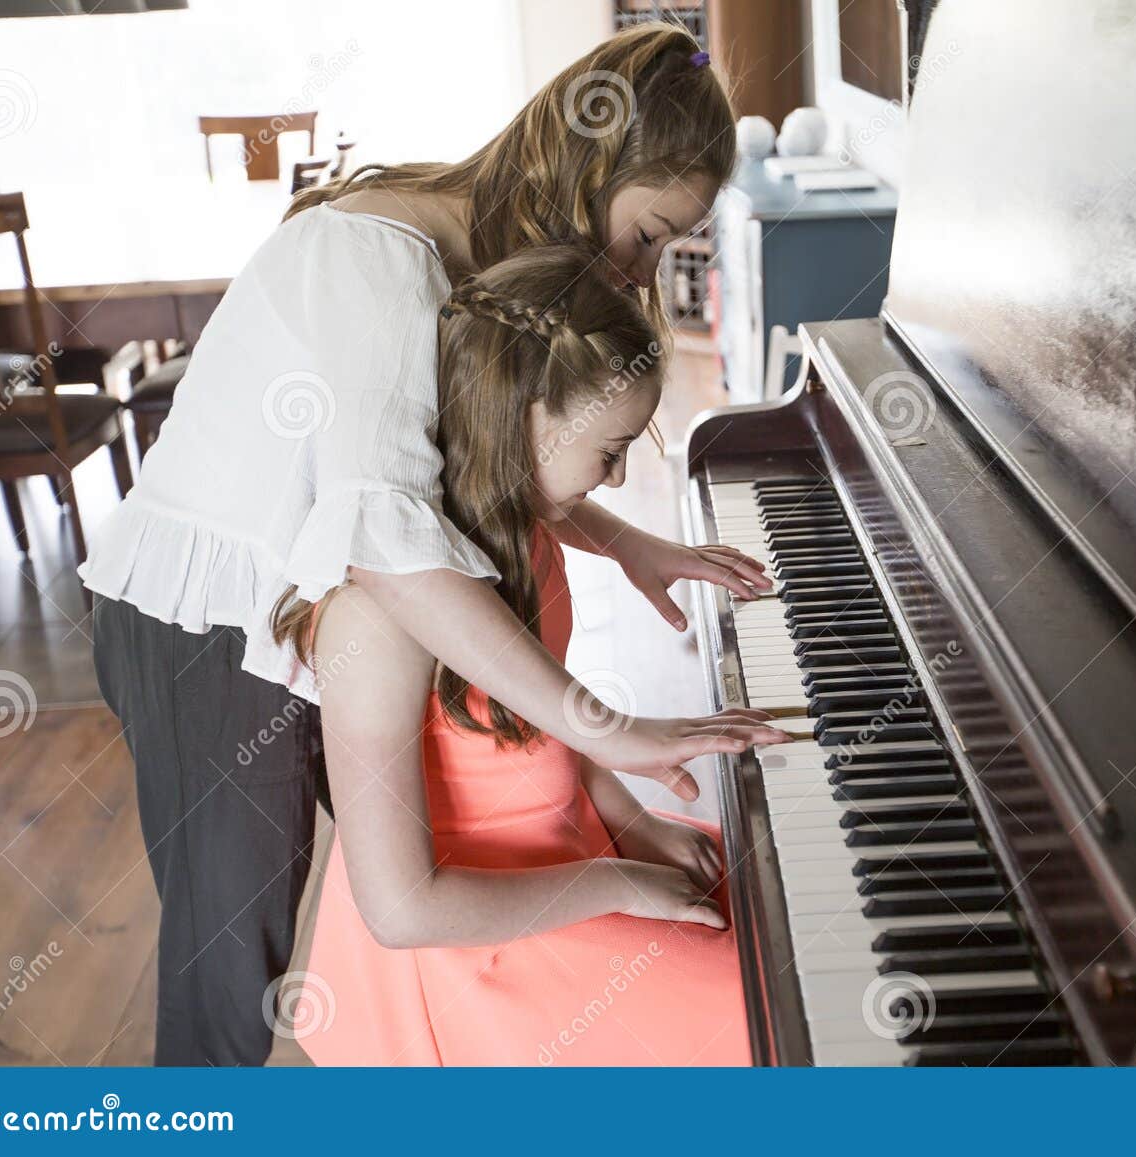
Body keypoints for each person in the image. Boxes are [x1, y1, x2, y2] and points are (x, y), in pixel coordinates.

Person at [85, 24, 782, 1066]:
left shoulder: (489, 273)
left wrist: (621, 540)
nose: (637, 268)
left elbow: (464, 471)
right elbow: (385, 536)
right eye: (648, 231)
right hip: (203, 616)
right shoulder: (376, 253)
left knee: (400, 891)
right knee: (233, 968)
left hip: (322, 600)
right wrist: (610, 729)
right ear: (595, 164)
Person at [297, 243, 752, 1065]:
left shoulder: (525, 535)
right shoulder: (374, 623)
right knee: (757, 1017)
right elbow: (404, 911)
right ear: (523, 413)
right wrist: (617, 884)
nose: (613, 481)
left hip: (566, 854)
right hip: (477, 941)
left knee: (766, 908)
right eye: (607, 451)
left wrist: (628, 816)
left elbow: (534, 737)